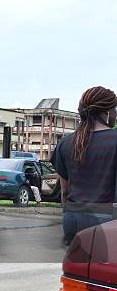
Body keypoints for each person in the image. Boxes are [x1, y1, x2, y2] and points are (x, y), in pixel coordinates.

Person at [51, 86, 117, 246]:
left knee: (79, 270)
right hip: (110, 220)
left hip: (73, 219)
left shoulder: (65, 143)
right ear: (107, 112)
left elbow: (64, 191)